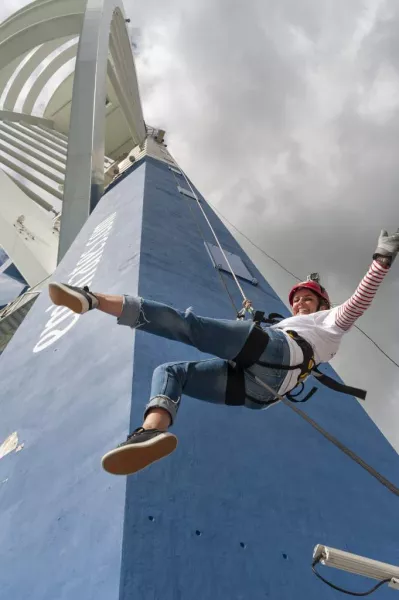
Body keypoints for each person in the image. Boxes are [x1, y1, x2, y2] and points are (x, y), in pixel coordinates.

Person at [48, 229, 399, 476]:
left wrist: (381, 260)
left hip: (278, 354)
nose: (300, 302)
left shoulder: (330, 321)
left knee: (188, 325)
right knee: (172, 373)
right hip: (261, 391)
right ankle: (151, 432)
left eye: (307, 298)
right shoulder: (294, 324)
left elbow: (357, 304)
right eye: (296, 299)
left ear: (322, 303)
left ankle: (92, 299)